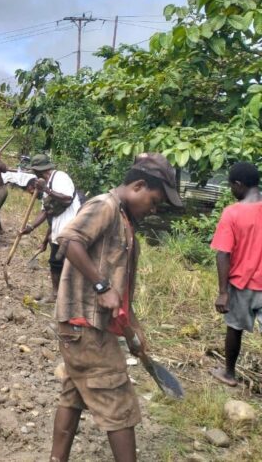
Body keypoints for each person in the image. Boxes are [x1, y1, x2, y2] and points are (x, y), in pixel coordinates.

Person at [49, 153, 182, 462]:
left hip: (88, 328)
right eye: (153, 201)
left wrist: (132, 325)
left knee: (74, 394)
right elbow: (68, 241)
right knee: (119, 401)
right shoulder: (104, 206)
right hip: (85, 326)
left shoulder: (124, 220)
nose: (153, 210)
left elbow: (119, 286)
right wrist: (101, 285)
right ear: (138, 185)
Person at [210, 162, 262, 387]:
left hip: (242, 285)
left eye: (231, 186)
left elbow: (223, 254)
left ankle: (229, 373)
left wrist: (223, 293)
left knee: (235, 328)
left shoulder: (232, 212)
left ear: (238, 185)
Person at [21, 154, 82, 302]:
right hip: (57, 229)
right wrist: (31, 227)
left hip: (71, 227)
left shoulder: (61, 177)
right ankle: (56, 295)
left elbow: (67, 198)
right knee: (55, 262)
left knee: (72, 263)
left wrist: (46, 190)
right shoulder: (45, 184)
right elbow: (45, 212)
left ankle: (73, 296)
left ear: (38, 171)